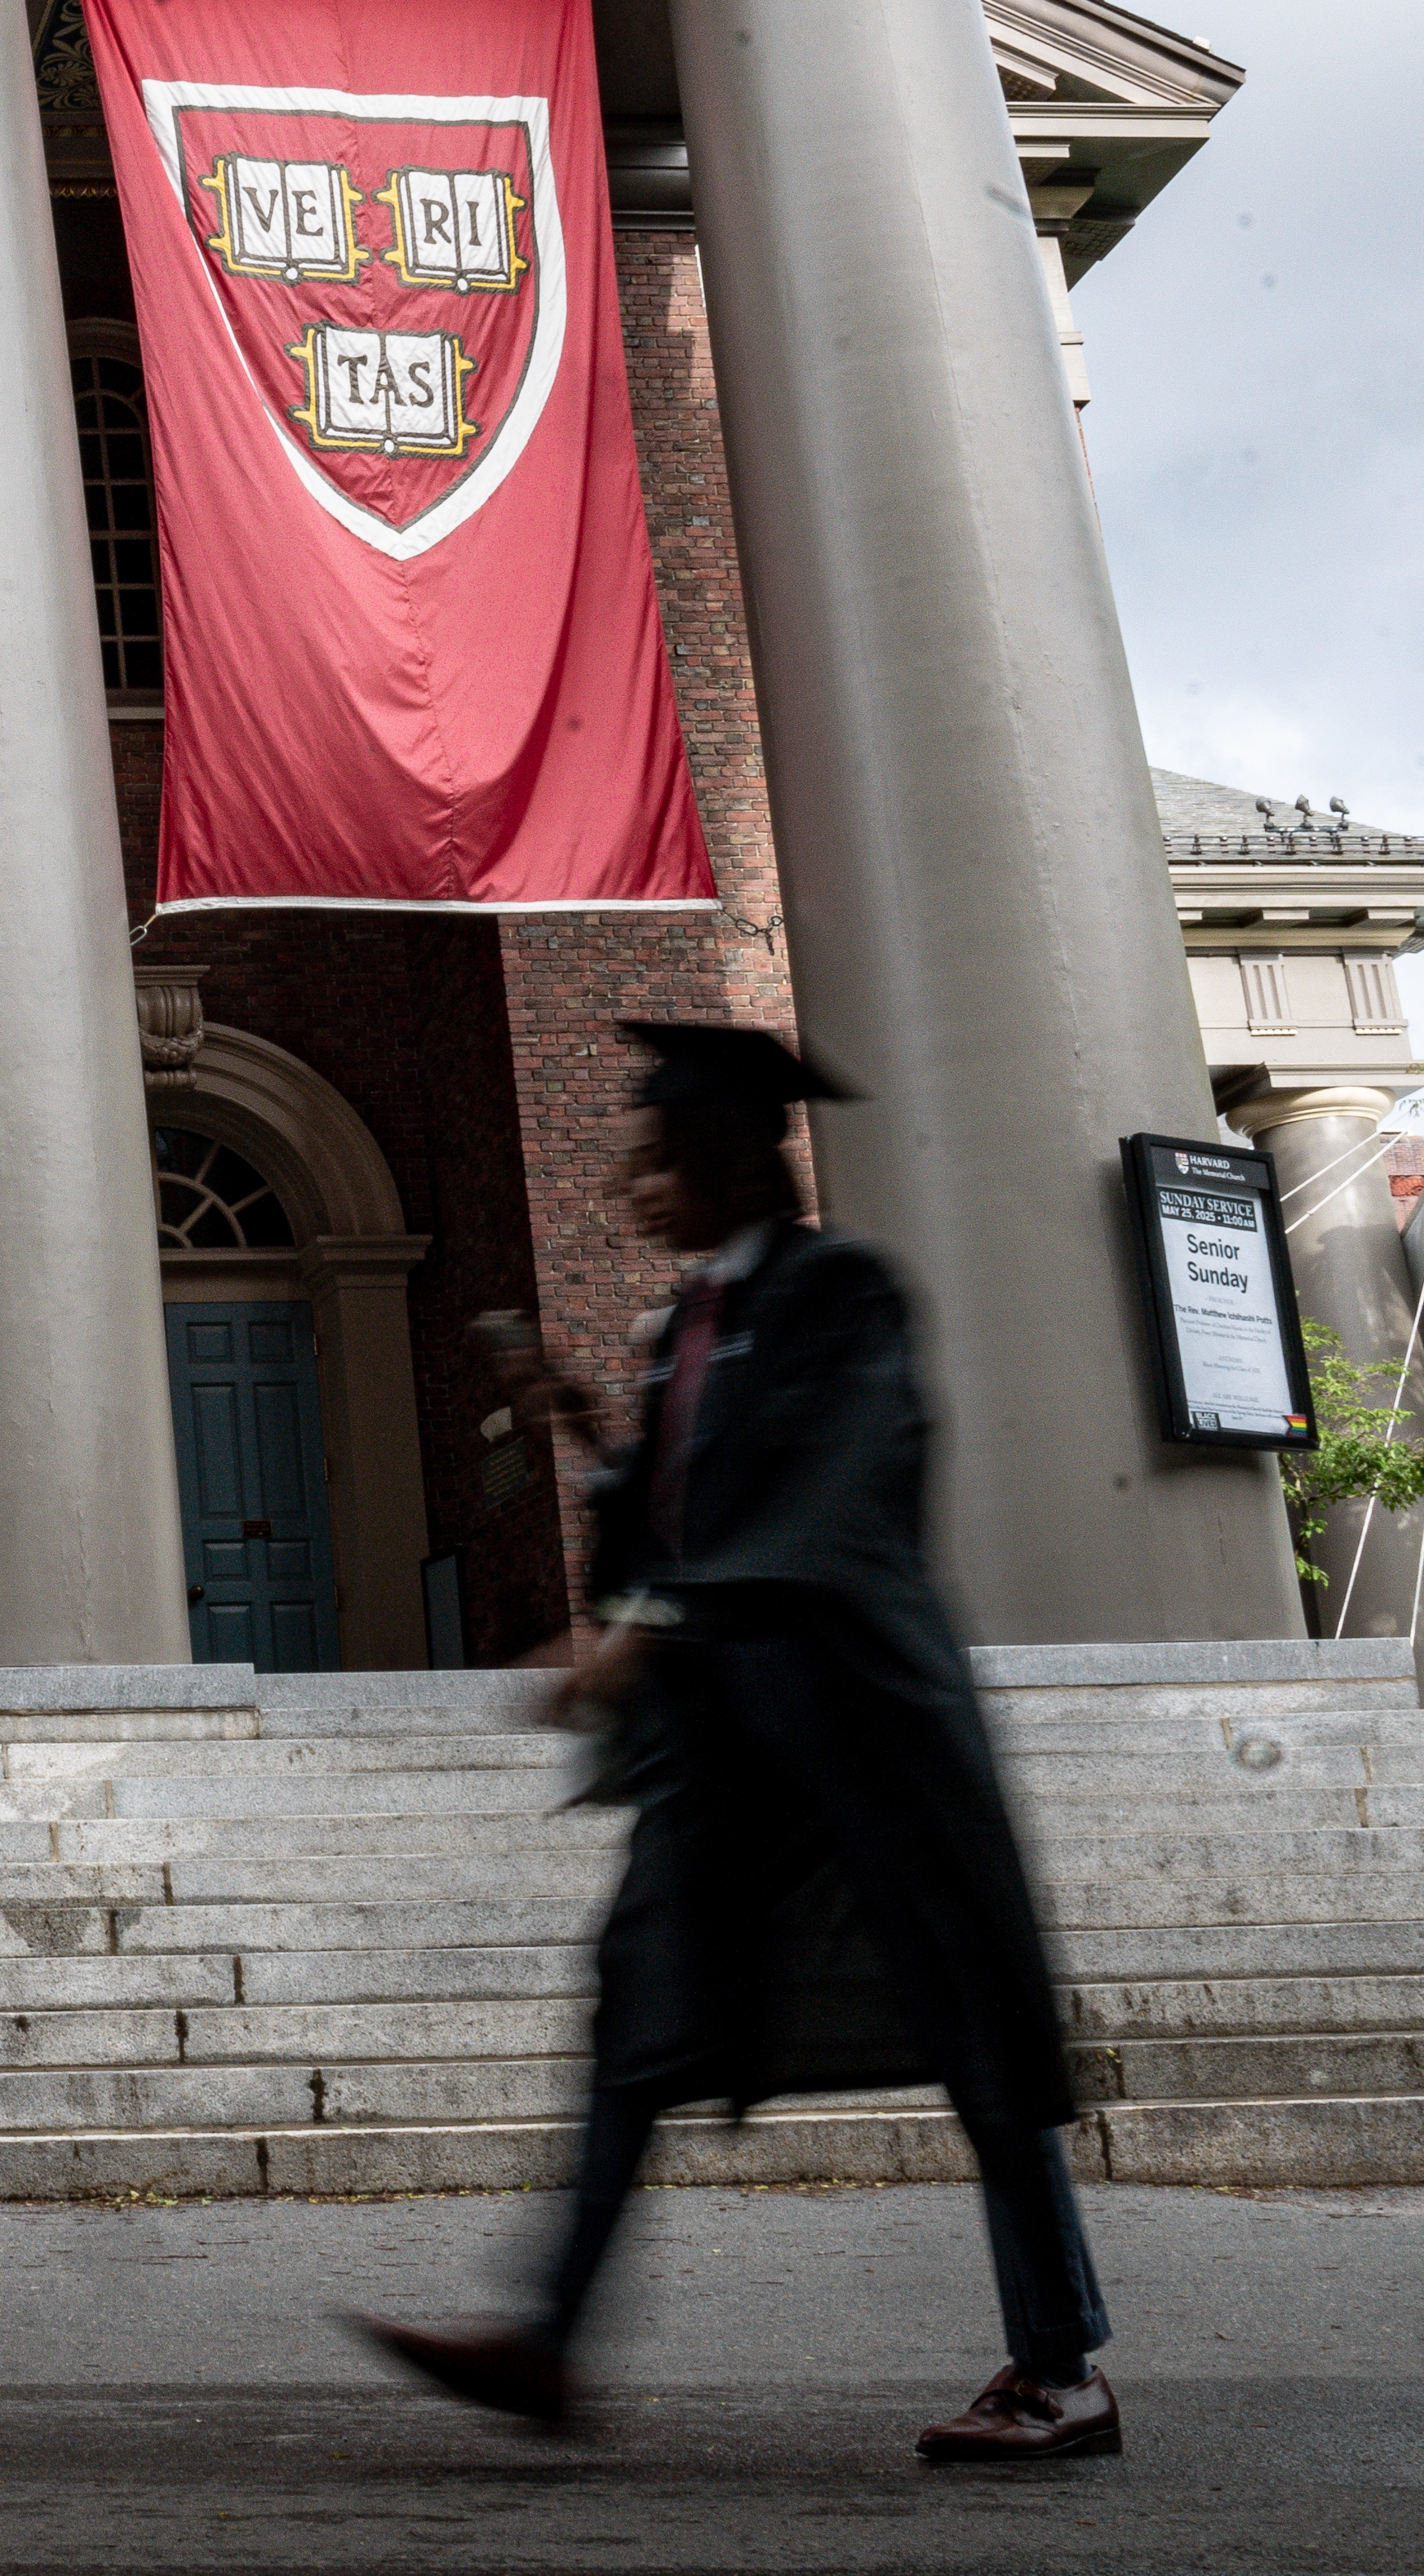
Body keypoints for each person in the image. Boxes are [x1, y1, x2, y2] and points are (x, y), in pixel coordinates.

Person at [349, 1019, 1119, 2463]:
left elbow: (826, 1498)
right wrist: (587, 1437)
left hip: (861, 1728)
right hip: (728, 1741)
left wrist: (641, 1632)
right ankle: (546, 2342)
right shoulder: (685, 1327)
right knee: (637, 2008)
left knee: (972, 2034)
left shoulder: (843, 1295)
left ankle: (1060, 2364)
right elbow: (672, 1524)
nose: (626, 1191)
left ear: (723, 1156)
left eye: (648, 1161)